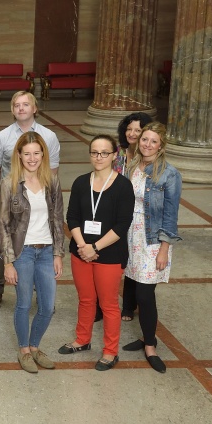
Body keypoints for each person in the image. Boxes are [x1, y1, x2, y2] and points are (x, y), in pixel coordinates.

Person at [61, 134, 134, 371]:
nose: (99, 157)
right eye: (94, 152)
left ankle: (110, 352)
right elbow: (71, 217)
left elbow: (123, 225)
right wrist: (83, 246)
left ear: (114, 155)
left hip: (109, 254)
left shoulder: (123, 186)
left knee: (109, 303)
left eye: (104, 152)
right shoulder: (81, 182)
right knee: (85, 299)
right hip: (80, 252)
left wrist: (95, 248)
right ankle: (82, 340)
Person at [0, 91, 60, 309]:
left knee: (37, 242)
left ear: (35, 108)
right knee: (4, 241)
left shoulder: (49, 137)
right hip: (12, 198)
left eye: (25, 104)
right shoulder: (2, 137)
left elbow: (53, 172)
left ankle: (41, 290)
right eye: (16, 105)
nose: (21, 108)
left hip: (38, 197)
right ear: (12, 110)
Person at [0, 132, 64, 373]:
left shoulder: (51, 181)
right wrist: (8, 262)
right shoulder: (9, 184)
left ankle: (35, 347)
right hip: (22, 252)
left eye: (37, 153)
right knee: (24, 304)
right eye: (27, 153)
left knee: (47, 306)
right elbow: (3, 225)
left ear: (43, 155)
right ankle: (24, 350)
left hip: (46, 251)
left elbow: (58, 218)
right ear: (19, 155)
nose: (32, 158)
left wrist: (58, 253)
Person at [121, 123, 182, 373]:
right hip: (129, 234)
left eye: (153, 141)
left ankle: (150, 345)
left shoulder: (169, 174)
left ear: (162, 145)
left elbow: (171, 214)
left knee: (146, 295)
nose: (146, 144)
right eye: (144, 139)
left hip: (152, 239)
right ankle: (145, 336)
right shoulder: (134, 164)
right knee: (134, 287)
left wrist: (164, 249)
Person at [111, 111, 154, 322]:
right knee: (121, 257)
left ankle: (129, 305)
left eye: (138, 129)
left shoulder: (148, 157)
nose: (132, 133)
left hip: (139, 215)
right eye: (129, 128)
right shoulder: (117, 153)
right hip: (117, 210)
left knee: (136, 257)